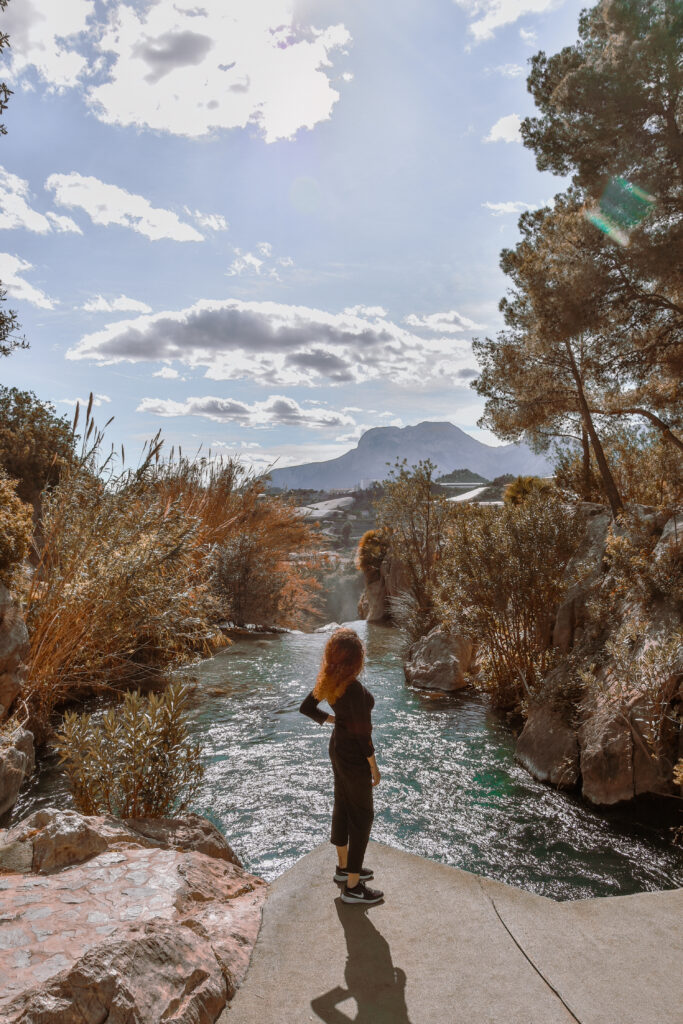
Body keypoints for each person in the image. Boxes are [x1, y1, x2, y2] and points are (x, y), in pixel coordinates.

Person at [299, 627, 384, 905]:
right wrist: (373, 766)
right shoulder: (355, 689)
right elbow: (363, 735)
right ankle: (353, 887)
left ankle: (343, 868)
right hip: (353, 755)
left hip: (337, 749)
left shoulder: (329, 680)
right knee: (362, 816)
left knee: (342, 804)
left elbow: (307, 708)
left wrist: (333, 721)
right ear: (356, 659)